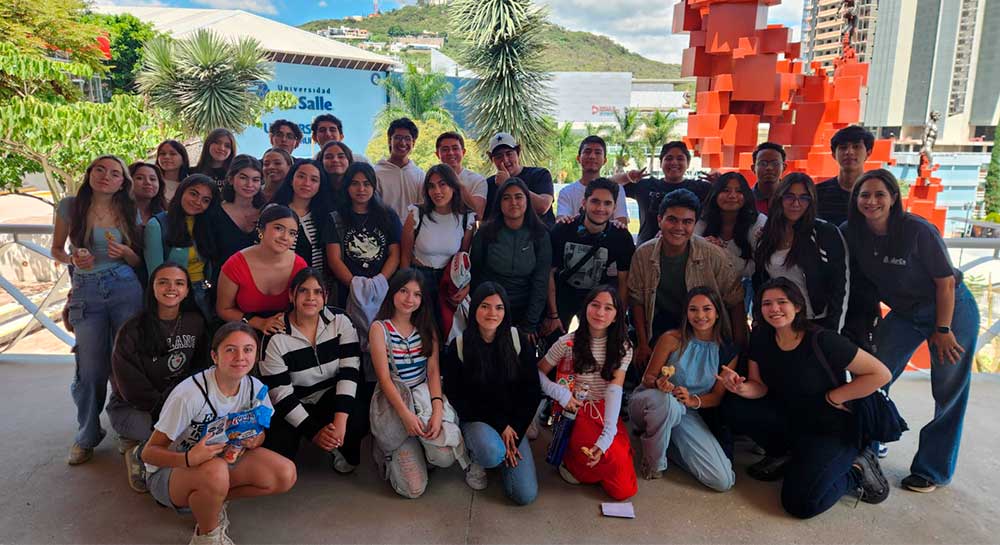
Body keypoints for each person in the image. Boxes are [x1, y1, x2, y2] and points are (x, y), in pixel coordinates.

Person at [843, 169, 979, 493]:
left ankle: (932, 469)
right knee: (874, 375)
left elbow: (945, 283)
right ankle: (866, 451)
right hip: (904, 313)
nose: (872, 201)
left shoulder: (917, 230)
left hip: (950, 310)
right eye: (864, 195)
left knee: (948, 389)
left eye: (879, 194)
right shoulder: (851, 232)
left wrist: (942, 328)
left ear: (893, 198)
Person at [718, 278, 891, 518]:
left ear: (797, 306)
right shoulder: (761, 337)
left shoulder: (823, 339)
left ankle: (856, 470)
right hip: (793, 418)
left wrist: (834, 397)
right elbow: (759, 386)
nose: (774, 309)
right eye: (767, 303)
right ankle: (786, 454)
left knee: (801, 504)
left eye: (782, 302)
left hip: (830, 428)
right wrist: (740, 388)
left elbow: (880, 374)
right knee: (734, 406)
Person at [141, 322, 297, 545]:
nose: (240, 357)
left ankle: (209, 500)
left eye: (248, 349)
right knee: (216, 471)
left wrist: (256, 439)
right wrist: (189, 458)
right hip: (170, 472)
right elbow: (149, 453)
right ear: (214, 356)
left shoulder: (255, 388)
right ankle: (207, 536)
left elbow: (261, 433)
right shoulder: (189, 394)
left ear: (256, 355)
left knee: (285, 474)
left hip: (221, 461)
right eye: (230, 349)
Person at [52, 155, 145, 465]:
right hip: (87, 290)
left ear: (122, 183)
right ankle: (87, 434)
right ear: (90, 173)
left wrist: (126, 251)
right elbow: (56, 249)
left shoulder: (128, 209)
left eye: (115, 173)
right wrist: (72, 258)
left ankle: (125, 428)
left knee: (124, 362)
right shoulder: (70, 206)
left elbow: (137, 261)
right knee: (90, 366)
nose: (106, 176)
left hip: (124, 286)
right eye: (100, 170)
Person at [368, 269, 476, 498]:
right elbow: (384, 379)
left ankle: (420, 446)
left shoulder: (427, 328)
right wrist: (406, 416)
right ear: (393, 292)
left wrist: (437, 410)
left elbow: (433, 371)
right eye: (404, 291)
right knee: (413, 489)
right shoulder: (379, 329)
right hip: (396, 403)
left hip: (423, 399)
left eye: (417, 294)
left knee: (445, 457)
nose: (410, 299)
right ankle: (386, 446)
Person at [110, 262, 210, 493]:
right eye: (163, 282)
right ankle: (137, 452)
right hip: (135, 408)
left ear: (187, 290)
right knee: (168, 434)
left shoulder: (195, 322)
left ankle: (150, 446)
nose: (171, 288)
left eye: (179, 283)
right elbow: (131, 389)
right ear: (152, 288)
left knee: (200, 431)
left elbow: (201, 368)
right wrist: (172, 416)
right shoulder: (132, 330)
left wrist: (189, 408)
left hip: (178, 404)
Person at [442, 282, 542, 505]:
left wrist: (515, 431)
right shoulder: (459, 346)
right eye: (485, 306)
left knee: (524, 495)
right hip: (478, 419)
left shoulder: (517, 340)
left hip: (513, 424)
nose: (492, 313)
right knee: (490, 452)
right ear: (475, 309)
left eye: (499, 307)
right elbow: (459, 398)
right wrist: (500, 425)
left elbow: (532, 391)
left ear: (506, 311)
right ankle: (477, 457)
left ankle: (503, 449)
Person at [629, 287, 736, 491]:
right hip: (651, 403)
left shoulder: (726, 350)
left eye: (707, 309)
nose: (700, 316)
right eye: (693, 309)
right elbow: (647, 378)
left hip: (686, 412)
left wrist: (692, 400)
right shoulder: (671, 338)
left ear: (717, 313)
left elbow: (716, 396)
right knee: (667, 402)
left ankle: (662, 442)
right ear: (686, 313)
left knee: (722, 480)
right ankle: (653, 463)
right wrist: (659, 383)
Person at [628, 189, 746, 371]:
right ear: (659, 220)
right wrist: (642, 344)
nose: (679, 227)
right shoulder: (643, 254)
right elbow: (637, 300)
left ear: (695, 224)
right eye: (672, 219)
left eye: (687, 222)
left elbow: (735, 300)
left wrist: (739, 348)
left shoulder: (714, 255)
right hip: (661, 326)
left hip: (705, 329)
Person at [538, 286, 637, 500]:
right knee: (592, 457)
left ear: (616, 316)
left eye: (608, 308)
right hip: (574, 411)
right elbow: (537, 373)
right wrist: (561, 394)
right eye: (595, 305)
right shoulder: (566, 342)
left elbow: (615, 389)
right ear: (585, 308)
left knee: (623, 488)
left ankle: (595, 465)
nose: (600, 313)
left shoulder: (624, 346)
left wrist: (607, 434)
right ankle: (569, 460)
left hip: (605, 410)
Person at [260, 268, 362, 471]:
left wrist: (340, 421)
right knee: (279, 459)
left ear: (326, 297)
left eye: (317, 292)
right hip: (294, 400)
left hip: (330, 396)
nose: (311, 298)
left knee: (357, 416)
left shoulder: (341, 320)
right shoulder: (275, 337)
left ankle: (338, 445)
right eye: (303, 291)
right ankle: (313, 437)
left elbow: (349, 372)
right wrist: (313, 432)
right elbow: (280, 394)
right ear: (291, 295)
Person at [753, 173, 849, 333]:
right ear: (779, 198)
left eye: (804, 198)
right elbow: (760, 281)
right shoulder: (766, 234)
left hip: (816, 322)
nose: (796, 203)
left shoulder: (825, 232)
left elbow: (840, 286)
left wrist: (833, 332)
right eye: (789, 196)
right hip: (777, 321)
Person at [546, 177, 635, 333]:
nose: (600, 208)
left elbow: (624, 281)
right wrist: (553, 315)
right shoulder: (563, 230)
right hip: (562, 295)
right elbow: (548, 274)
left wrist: (618, 319)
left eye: (607, 203)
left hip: (597, 298)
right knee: (553, 338)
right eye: (595, 201)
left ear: (614, 208)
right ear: (584, 203)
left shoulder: (620, 237)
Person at [470, 178, 551, 342]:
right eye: (506, 198)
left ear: (527, 201)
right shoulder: (485, 233)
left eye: (518, 197)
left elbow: (541, 280)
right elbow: (475, 274)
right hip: (490, 308)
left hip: (525, 310)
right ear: (499, 203)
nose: (513, 202)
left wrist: (530, 323)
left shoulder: (540, 234)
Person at [400, 164, 476, 328]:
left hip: (449, 283)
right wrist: (405, 288)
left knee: (446, 333)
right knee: (420, 330)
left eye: (443, 184)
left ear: (453, 186)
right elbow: (404, 257)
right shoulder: (416, 214)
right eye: (431, 186)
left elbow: (464, 259)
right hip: (419, 280)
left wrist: (466, 286)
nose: (437, 191)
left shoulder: (466, 219)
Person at [216, 205, 308, 335]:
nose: (285, 237)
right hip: (243, 331)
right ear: (261, 229)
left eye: (292, 233)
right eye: (278, 228)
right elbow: (223, 310)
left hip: (285, 333)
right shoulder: (235, 264)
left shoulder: (300, 265)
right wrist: (259, 323)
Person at [324, 162, 402, 308]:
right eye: (355, 183)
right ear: (347, 186)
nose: (361, 189)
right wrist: (356, 287)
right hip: (347, 292)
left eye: (366, 184)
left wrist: (378, 283)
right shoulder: (335, 217)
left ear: (373, 186)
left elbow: (395, 254)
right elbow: (334, 259)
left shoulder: (388, 215)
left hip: (383, 290)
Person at [143, 174, 220, 320]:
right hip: (172, 295)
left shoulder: (207, 225)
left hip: (203, 294)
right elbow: (155, 275)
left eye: (205, 200)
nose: (198, 202)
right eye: (193, 194)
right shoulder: (157, 225)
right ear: (181, 190)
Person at [695, 172, 767, 311]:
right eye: (726, 190)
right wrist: (704, 245)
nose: (732, 196)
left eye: (739, 191)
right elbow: (692, 248)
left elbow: (756, 268)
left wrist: (720, 253)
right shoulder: (703, 219)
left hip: (745, 287)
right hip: (706, 285)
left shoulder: (759, 222)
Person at [622, 141, 711, 245]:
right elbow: (609, 186)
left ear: (688, 164)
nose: (674, 162)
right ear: (661, 163)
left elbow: (725, 198)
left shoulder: (701, 188)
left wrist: (720, 181)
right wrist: (627, 177)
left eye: (680, 159)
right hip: (647, 249)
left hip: (687, 250)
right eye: (669, 158)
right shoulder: (645, 186)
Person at [270, 160, 333, 274]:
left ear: (320, 186)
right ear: (291, 180)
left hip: (314, 282)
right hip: (275, 278)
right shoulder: (273, 211)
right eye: (301, 176)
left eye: (314, 180)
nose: (307, 183)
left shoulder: (323, 215)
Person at [207, 155, 266, 271]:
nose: (249, 184)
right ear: (231, 179)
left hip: (260, 277)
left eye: (255, 180)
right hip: (222, 276)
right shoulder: (214, 213)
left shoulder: (267, 212)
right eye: (243, 178)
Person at [484, 132, 555, 226]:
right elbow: (484, 219)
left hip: (539, 233)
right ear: (492, 160)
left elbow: (543, 207)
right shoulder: (488, 184)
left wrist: (508, 183)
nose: (505, 160)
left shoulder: (539, 174)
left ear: (518, 153)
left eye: (509, 154)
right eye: (499, 156)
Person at [555, 136, 628, 225]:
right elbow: (561, 221)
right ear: (578, 158)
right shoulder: (566, 192)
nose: (592, 156)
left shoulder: (616, 189)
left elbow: (621, 223)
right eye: (587, 152)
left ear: (605, 160)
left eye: (598, 153)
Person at [816, 125, 875, 226]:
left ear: (868, 153)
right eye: (843, 147)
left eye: (856, 147)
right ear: (833, 154)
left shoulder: (878, 193)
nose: (849, 152)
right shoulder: (818, 192)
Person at [374, 117, 425, 220]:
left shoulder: (420, 175)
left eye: (407, 138)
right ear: (389, 140)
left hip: (414, 229)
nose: (402, 143)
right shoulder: (376, 173)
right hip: (385, 228)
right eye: (398, 137)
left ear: (413, 143)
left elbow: (423, 208)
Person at [435, 131, 487, 219]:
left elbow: (478, 213)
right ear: (437, 154)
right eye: (445, 149)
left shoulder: (477, 180)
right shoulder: (431, 181)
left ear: (463, 152)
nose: (451, 153)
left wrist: (456, 183)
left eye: (455, 148)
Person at [750, 142, 786, 213]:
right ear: (753, 168)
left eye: (775, 163)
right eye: (763, 163)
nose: (769, 168)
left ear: (784, 167)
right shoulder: (745, 200)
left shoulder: (791, 199)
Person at [319, 140, 354, 210]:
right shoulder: (314, 189)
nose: (335, 160)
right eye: (329, 157)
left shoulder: (358, 188)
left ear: (349, 160)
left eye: (341, 157)